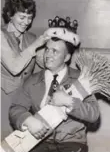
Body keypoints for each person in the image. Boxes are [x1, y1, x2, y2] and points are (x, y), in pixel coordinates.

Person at [9, 18, 100, 152]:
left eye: (55, 51)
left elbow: (93, 114)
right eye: (47, 49)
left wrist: (70, 102)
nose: (48, 55)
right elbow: (16, 108)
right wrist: (27, 120)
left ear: (67, 58)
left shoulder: (81, 80)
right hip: (38, 142)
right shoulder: (32, 80)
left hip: (72, 143)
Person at [1, 0, 51, 140]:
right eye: (22, 17)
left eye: (29, 17)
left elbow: (44, 63)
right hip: (3, 97)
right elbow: (15, 67)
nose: (26, 22)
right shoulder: (1, 35)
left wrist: (55, 44)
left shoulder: (31, 37)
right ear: (10, 15)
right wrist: (36, 46)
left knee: (20, 140)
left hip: (24, 98)